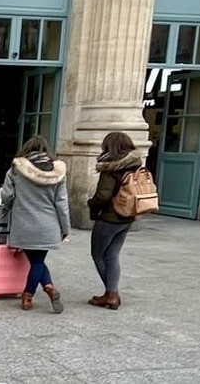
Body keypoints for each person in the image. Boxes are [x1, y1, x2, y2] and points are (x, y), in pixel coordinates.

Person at [0, 135, 70, 313]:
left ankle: (28, 295)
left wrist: (6, 209)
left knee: (36, 261)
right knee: (38, 260)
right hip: (48, 224)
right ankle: (48, 287)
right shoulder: (57, 172)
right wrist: (65, 228)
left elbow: (7, 196)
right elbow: (61, 203)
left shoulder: (16, 170)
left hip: (24, 223)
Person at [86, 131, 142, 310]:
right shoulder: (136, 165)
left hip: (110, 216)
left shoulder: (111, 167)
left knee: (98, 254)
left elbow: (103, 195)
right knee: (113, 254)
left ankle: (111, 293)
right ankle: (111, 293)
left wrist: (91, 203)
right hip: (128, 215)